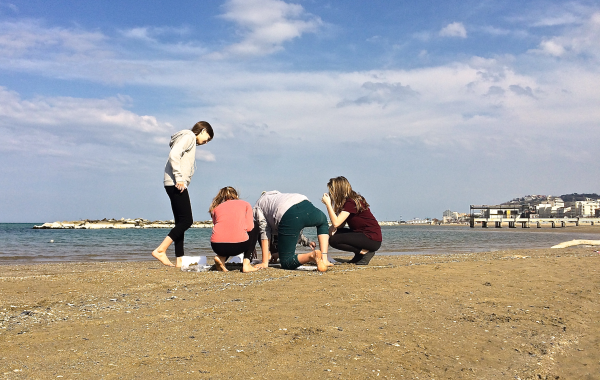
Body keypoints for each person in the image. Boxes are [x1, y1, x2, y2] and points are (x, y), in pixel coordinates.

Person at [152, 121, 214, 267]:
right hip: (176, 183)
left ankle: (179, 259)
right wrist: (179, 178)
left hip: (172, 183)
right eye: (208, 138)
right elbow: (174, 154)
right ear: (203, 130)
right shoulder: (189, 136)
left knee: (180, 222)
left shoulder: (188, 138)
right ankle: (161, 250)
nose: (206, 142)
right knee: (187, 221)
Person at [253, 191, 329, 272]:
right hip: (304, 201)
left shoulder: (258, 207)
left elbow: (264, 231)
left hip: (286, 213)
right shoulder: (277, 198)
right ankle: (324, 259)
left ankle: (312, 256)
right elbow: (294, 231)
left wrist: (264, 262)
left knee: (286, 262)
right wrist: (279, 254)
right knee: (323, 221)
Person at [321, 176, 382, 265]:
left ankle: (365, 252)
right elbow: (340, 224)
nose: (330, 194)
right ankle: (359, 254)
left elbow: (337, 222)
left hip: (371, 238)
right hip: (366, 235)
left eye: (332, 191)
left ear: (338, 190)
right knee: (335, 234)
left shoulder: (351, 202)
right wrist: (332, 228)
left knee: (334, 240)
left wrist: (328, 205)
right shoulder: (349, 201)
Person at [209, 186, 260, 273]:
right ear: (236, 195)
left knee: (226, 234)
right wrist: (251, 245)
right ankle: (246, 264)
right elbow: (250, 228)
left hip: (217, 246)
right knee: (255, 224)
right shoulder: (245, 204)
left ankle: (221, 258)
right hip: (239, 246)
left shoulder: (216, 209)